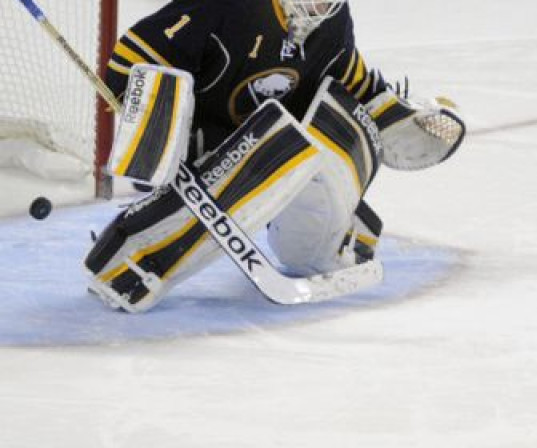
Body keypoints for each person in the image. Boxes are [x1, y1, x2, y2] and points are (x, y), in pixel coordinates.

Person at [84, 0, 465, 312]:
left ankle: (323, 249)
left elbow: (353, 81)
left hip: (268, 153)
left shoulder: (332, 23)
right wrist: (145, 112)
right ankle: (130, 261)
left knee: (337, 125)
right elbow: (135, 56)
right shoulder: (229, 7)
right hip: (196, 153)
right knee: (282, 144)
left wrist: (392, 114)